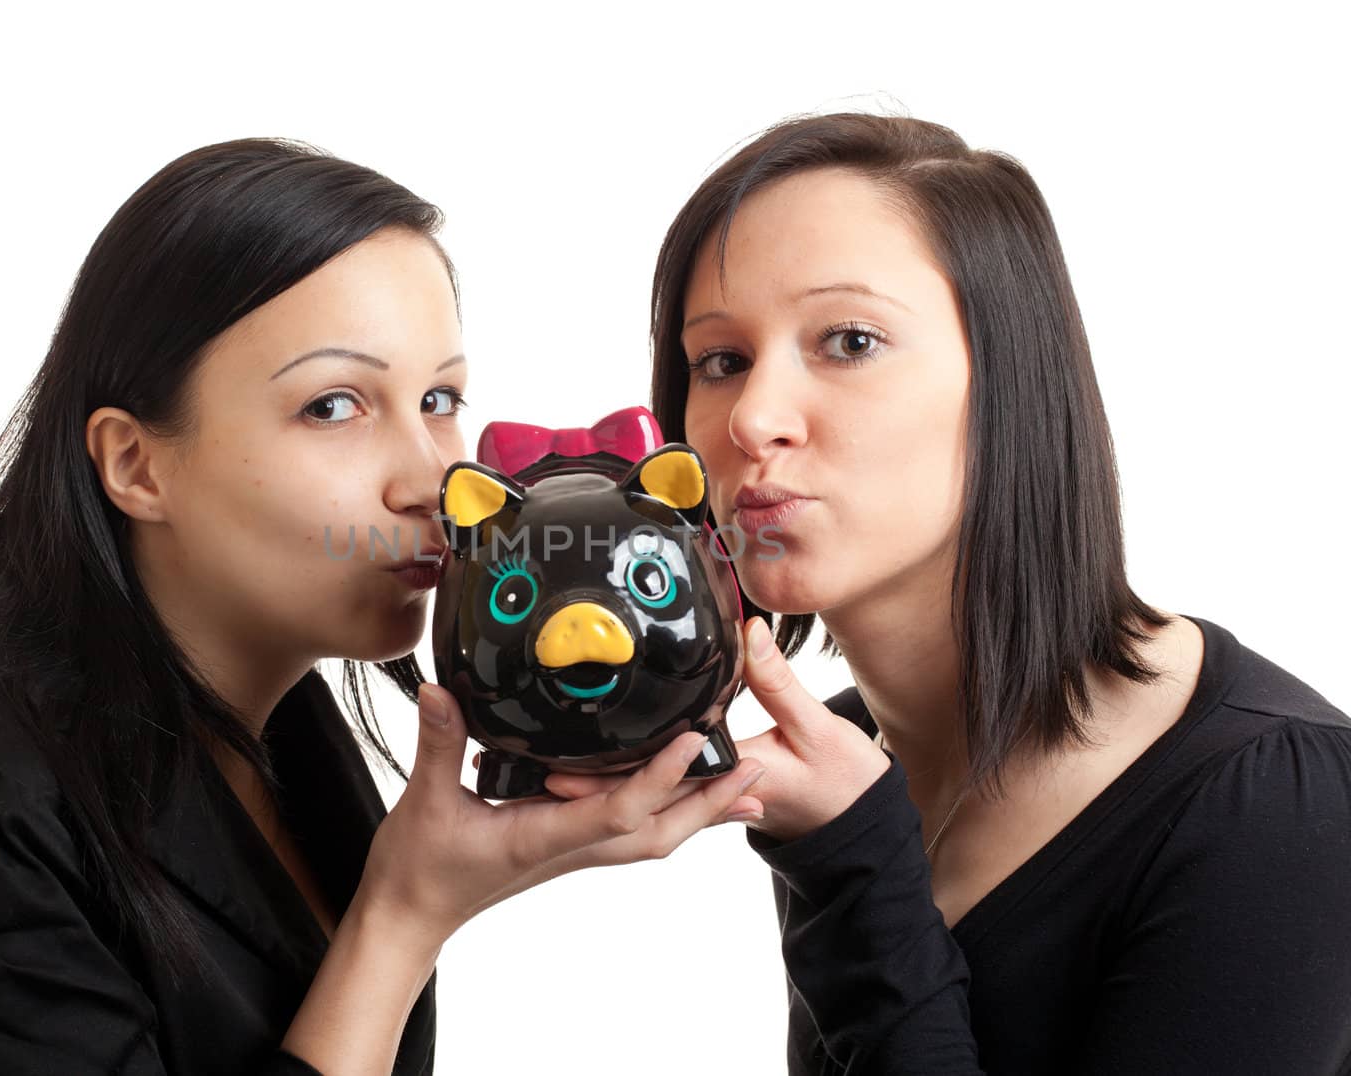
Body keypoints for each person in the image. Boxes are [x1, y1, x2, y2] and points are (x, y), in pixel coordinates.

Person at [0, 138, 768, 1076]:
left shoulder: (288, 726)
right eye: (333, 407)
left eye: (440, 399)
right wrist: (402, 919)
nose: (434, 481)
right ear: (136, 464)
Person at [549, 112, 1351, 1073]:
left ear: (1011, 381)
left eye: (849, 341)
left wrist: (856, 869)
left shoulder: (1276, 807)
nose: (754, 418)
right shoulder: (841, 761)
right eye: (720, 361)